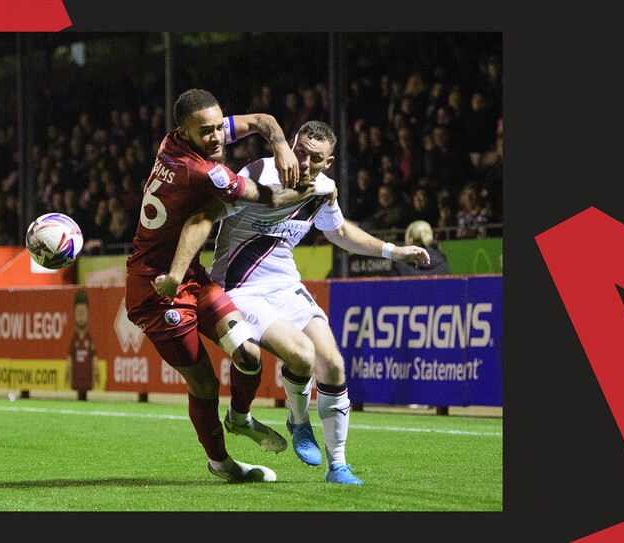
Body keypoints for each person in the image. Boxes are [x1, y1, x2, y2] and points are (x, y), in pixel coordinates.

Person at [167, 120, 429, 484]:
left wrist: (393, 250)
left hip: (286, 285)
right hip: (241, 288)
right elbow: (209, 215)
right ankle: (300, 421)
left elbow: (337, 231)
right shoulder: (258, 172)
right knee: (302, 355)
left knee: (334, 365)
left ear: (329, 161)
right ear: (290, 144)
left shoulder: (322, 189)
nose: (304, 162)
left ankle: (337, 465)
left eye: (315, 158)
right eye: (300, 151)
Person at [126, 89, 332, 483]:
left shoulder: (175, 142)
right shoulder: (204, 172)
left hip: (189, 278)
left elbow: (261, 121)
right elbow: (270, 198)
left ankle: (241, 418)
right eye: (206, 132)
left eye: (221, 126)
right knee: (204, 383)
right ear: (184, 132)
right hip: (155, 289)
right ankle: (221, 463)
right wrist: (315, 188)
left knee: (249, 354)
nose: (218, 137)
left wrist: (280, 146)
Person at [66, 289, 100, 400]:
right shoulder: (74, 340)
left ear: (88, 313)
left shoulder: (90, 339)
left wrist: (96, 371)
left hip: (87, 378)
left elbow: (94, 355)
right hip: (76, 377)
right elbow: (70, 356)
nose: (81, 316)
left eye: (83, 312)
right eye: (78, 312)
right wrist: (68, 371)